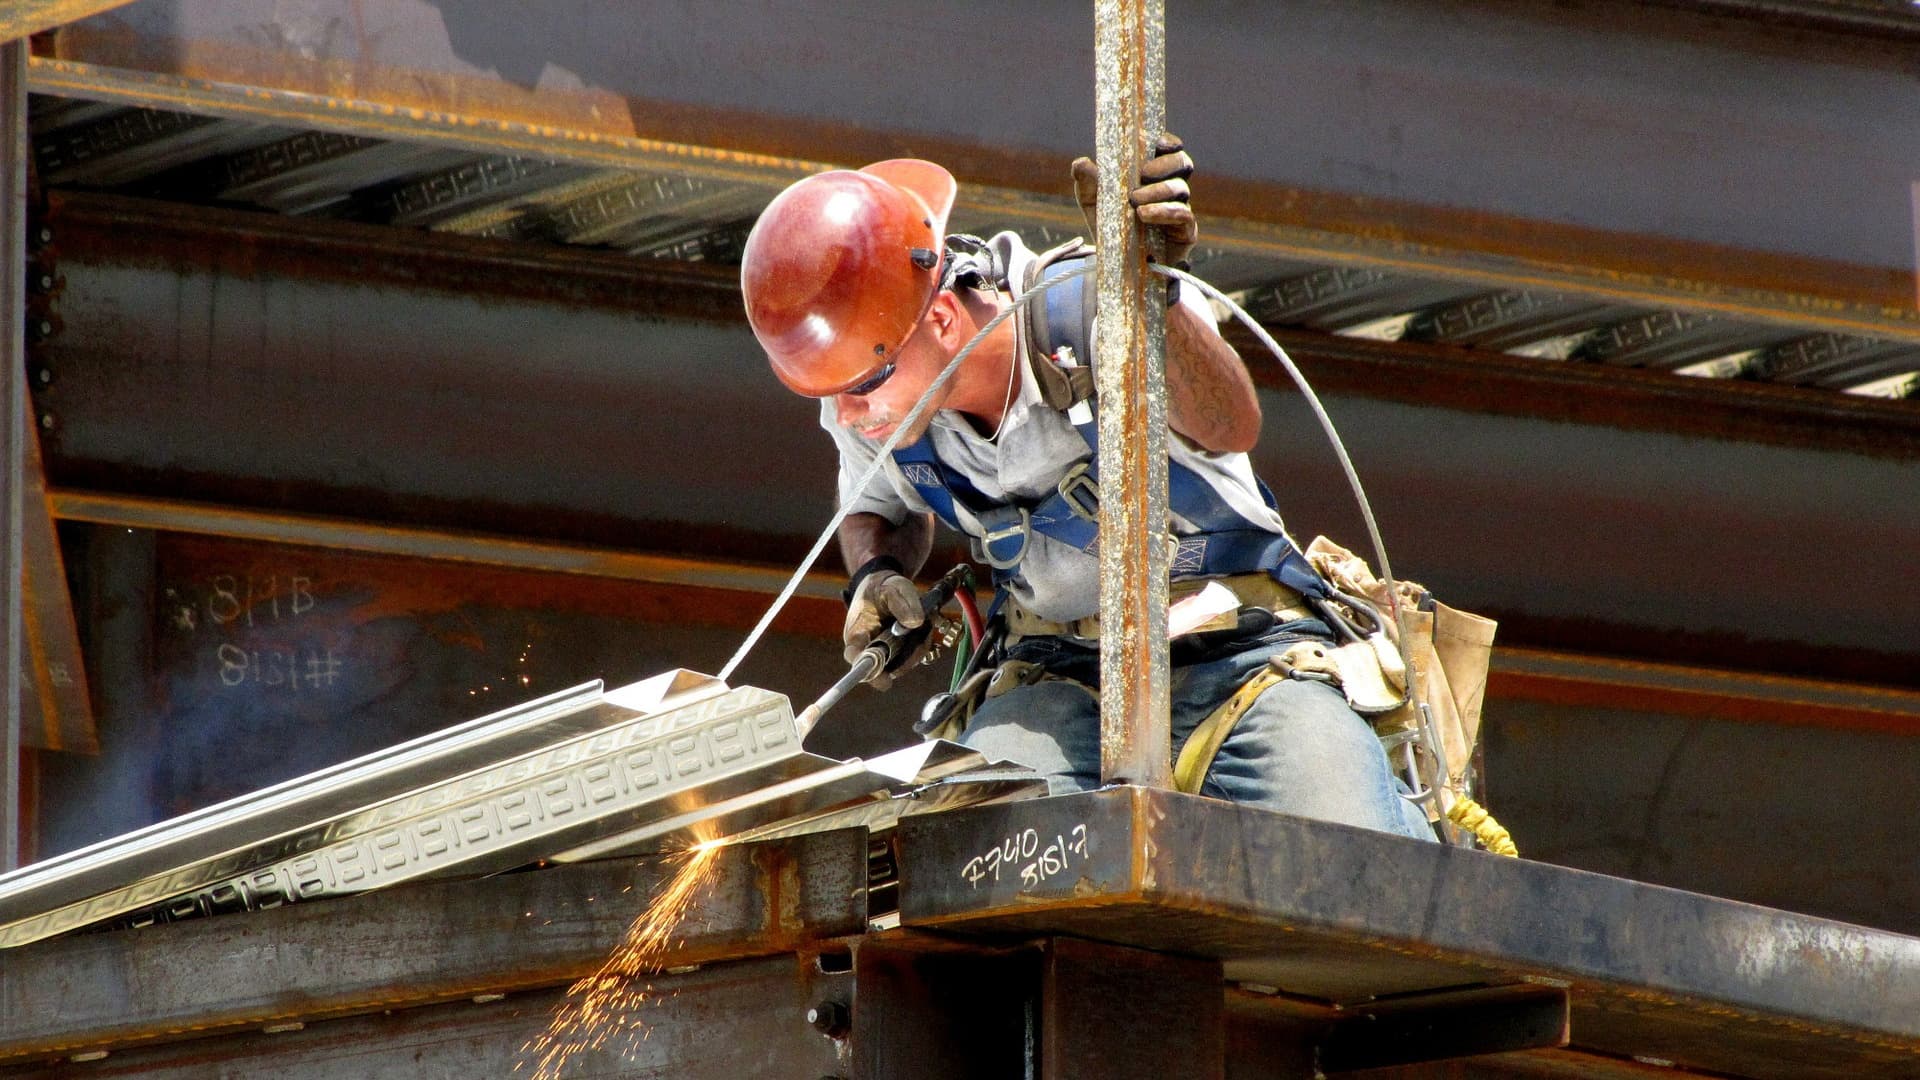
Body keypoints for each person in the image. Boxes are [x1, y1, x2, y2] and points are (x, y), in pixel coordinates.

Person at [739, 143, 1432, 840]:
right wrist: (876, 573)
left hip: (1239, 653)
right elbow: (880, 506)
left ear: (942, 320)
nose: (850, 414)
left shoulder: (1096, 309)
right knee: (967, 854)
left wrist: (1149, 301)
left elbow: (1231, 424)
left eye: (860, 389)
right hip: (1053, 675)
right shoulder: (872, 388)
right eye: (829, 395)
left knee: (1355, 860)